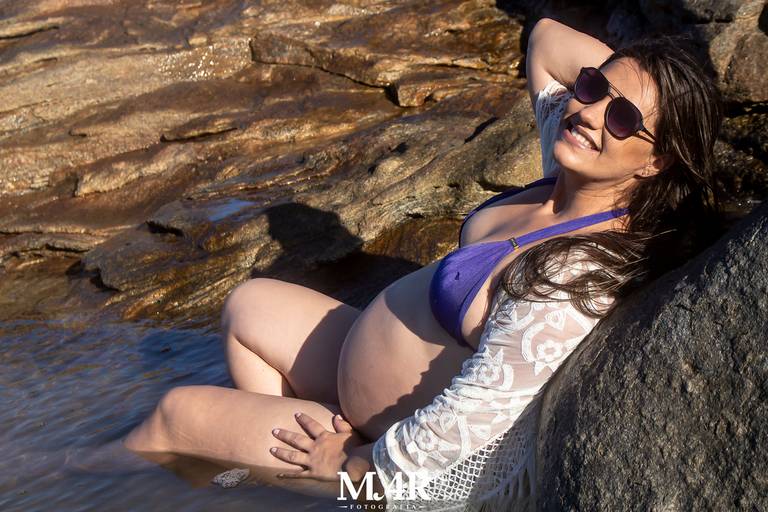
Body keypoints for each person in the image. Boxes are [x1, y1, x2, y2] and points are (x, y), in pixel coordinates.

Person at [123, 17, 723, 510]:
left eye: (623, 120)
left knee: (173, 420)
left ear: (656, 162)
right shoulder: (564, 175)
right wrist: (637, 79)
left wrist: (352, 466)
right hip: (364, 411)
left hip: (404, 471)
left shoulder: (571, 274)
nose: (589, 113)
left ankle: (77, 470)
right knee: (249, 305)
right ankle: (279, 482)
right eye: (591, 88)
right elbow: (545, 40)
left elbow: (473, 417)